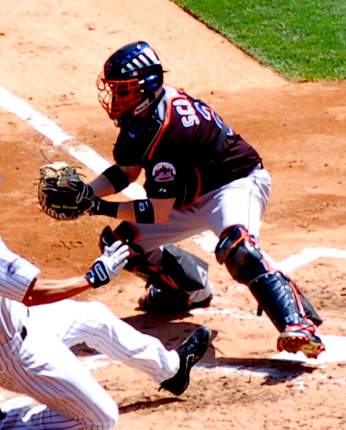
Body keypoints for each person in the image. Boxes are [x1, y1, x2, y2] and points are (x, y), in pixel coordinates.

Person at [85, 40, 325, 360]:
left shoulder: (169, 128)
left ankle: (299, 324)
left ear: (147, 86)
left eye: (124, 90)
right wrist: (87, 193)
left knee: (238, 248)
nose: (116, 98)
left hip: (233, 184)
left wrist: (97, 206)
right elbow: (126, 171)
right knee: (119, 246)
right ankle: (187, 289)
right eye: (115, 90)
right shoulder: (141, 117)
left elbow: (157, 211)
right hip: (189, 198)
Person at [0, 208, 211, 428]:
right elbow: (33, 293)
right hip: (16, 355)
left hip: (25, 321)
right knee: (100, 419)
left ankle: (171, 371)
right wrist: (92, 278)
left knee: (94, 318)